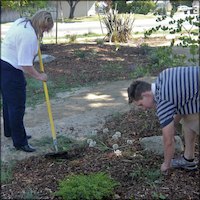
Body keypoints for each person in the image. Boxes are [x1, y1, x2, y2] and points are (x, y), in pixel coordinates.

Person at [127, 66, 199, 172]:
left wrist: (166, 164)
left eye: (141, 104)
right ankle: (188, 159)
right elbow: (181, 103)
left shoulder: (163, 100)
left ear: (146, 94)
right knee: (187, 116)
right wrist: (173, 124)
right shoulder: (163, 76)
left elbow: (168, 141)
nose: (144, 109)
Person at [0, 10, 54, 152]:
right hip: (11, 69)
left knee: (8, 101)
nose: (44, 32)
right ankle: (20, 142)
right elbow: (25, 65)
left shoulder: (22, 21)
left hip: (3, 62)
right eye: (44, 29)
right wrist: (39, 76)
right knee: (17, 106)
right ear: (40, 25)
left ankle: (10, 132)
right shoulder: (29, 36)